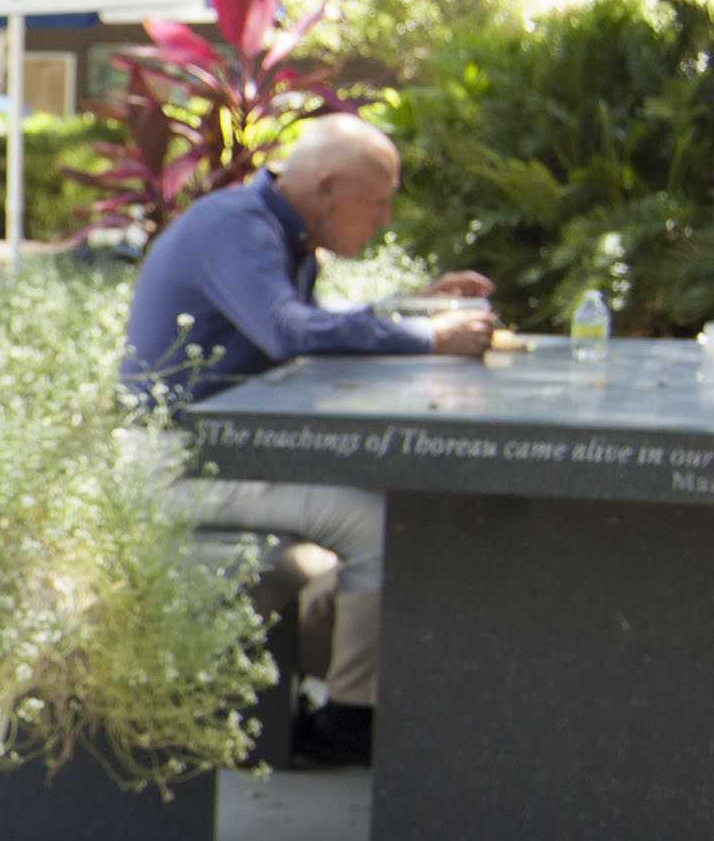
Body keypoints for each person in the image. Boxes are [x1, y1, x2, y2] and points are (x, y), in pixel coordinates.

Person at [121, 114, 492, 763]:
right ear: (326, 187)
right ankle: (350, 721)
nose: (383, 220)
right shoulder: (236, 227)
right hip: (167, 467)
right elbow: (291, 333)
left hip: (216, 456)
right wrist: (427, 339)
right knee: (373, 521)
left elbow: (307, 332)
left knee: (377, 502)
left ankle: (362, 691)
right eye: (376, 202)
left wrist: (415, 308)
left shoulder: (276, 233)